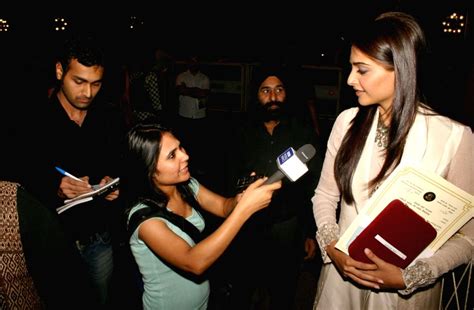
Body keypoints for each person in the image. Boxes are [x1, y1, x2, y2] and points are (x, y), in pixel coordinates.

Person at [312, 12, 473, 309]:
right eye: (351, 68)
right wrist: (333, 249)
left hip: (406, 299)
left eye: (362, 70)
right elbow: (325, 195)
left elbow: (469, 239)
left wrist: (411, 276)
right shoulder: (347, 122)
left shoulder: (455, 137)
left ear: (400, 69)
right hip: (340, 285)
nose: (349, 80)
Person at [16, 34, 126, 307]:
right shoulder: (34, 119)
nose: (88, 93)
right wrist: (54, 184)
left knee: (99, 301)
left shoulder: (109, 118)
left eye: (96, 84)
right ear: (59, 72)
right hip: (52, 240)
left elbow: (122, 163)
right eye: (79, 81)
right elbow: (21, 172)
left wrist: (113, 184)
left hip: (99, 236)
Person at [122, 122, 281, 310]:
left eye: (180, 147)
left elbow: (223, 207)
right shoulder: (145, 220)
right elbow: (194, 262)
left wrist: (242, 198)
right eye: (172, 155)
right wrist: (245, 209)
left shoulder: (186, 186)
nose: (185, 156)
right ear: (149, 171)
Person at [222, 66, 323, 310]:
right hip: (247, 226)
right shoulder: (238, 131)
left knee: (283, 292)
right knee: (243, 291)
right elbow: (225, 179)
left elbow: (313, 187)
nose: (273, 97)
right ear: (255, 95)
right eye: (265, 90)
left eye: (279, 90)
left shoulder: (303, 133)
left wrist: (310, 232)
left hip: (287, 227)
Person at [0, 181, 97, 309]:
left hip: (94, 236)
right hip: (66, 232)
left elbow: (66, 283)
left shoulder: (16, 201)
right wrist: (57, 190)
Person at [175, 55, 211, 174]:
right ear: (188, 63)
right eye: (191, 61)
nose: (194, 63)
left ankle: (198, 167)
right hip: (184, 114)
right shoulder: (181, 76)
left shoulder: (204, 78)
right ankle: (184, 167)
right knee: (184, 143)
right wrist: (196, 91)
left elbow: (203, 94)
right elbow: (180, 90)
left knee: (199, 144)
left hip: (200, 116)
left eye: (196, 61)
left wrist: (187, 90)